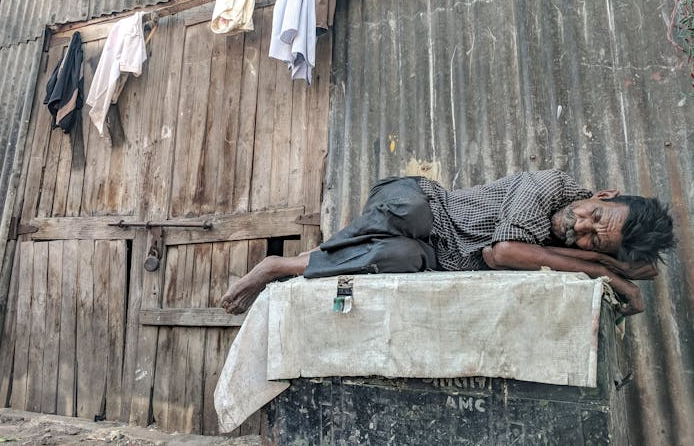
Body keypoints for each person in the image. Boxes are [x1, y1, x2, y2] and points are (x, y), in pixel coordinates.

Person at [221, 170, 675, 316]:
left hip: (437, 256)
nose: (578, 227)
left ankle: (277, 267)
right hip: (420, 202)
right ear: (604, 195)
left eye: (593, 239)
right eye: (593, 215)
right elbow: (504, 253)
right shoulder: (554, 185)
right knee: (411, 216)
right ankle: (274, 267)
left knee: (397, 258)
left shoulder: (573, 243)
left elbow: (643, 271)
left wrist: (603, 259)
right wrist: (598, 266)